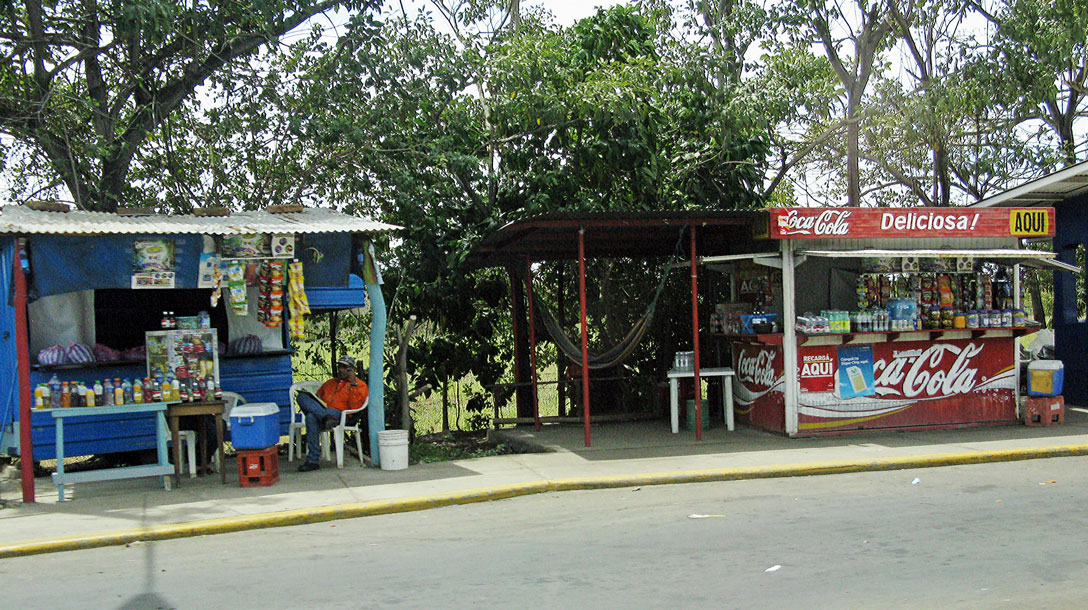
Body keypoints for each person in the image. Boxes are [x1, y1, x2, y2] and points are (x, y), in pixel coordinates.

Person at [296, 355, 369, 472]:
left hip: (341, 415)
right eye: (340, 366)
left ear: (352, 370)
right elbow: (317, 398)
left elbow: (356, 407)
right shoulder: (330, 383)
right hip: (325, 414)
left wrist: (353, 383)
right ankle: (324, 418)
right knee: (302, 399)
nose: (341, 369)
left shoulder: (359, 386)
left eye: (345, 367)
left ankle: (313, 460)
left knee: (311, 416)